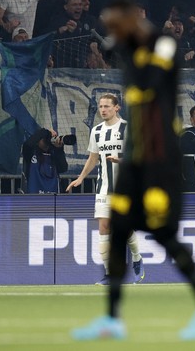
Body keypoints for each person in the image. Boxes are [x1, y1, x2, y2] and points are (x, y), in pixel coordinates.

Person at [72, 0, 195, 341]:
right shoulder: (132, 52)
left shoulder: (163, 47)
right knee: (117, 228)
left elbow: (153, 70)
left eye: (118, 24)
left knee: (164, 236)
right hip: (135, 161)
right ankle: (112, 318)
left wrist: (133, 37)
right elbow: (115, 52)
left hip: (161, 163)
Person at [66, 94, 143, 286]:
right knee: (104, 227)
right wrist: (81, 177)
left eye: (107, 106)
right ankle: (110, 274)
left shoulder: (127, 128)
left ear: (117, 108)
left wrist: (121, 161)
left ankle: (137, 257)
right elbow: (93, 157)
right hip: (104, 187)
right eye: (100, 106)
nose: (103, 110)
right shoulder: (96, 131)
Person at [22, 128, 68, 194]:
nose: (47, 141)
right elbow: (27, 144)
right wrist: (46, 132)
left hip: (53, 196)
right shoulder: (31, 153)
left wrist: (59, 149)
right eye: (44, 139)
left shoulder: (54, 153)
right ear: (38, 140)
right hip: (33, 195)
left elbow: (63, 168)